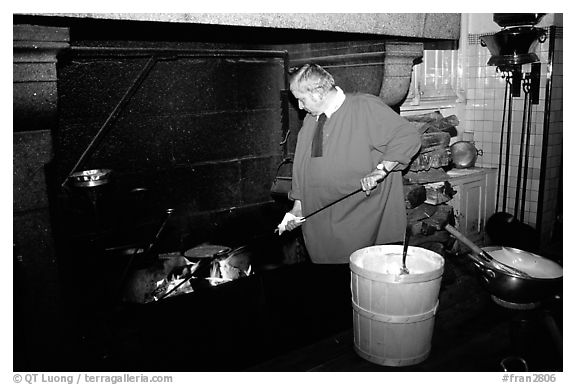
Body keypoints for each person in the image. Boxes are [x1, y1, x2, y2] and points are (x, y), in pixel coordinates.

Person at [277, 63, 421, 264]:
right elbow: (302, 168)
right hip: (321, 225)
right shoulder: (311, 120)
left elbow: (407, 136)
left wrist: (380, 170)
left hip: (361, 221)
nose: (300, 107)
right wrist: (297, 207)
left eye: (301, 99)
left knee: (360, 287)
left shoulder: (364, 107)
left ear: (319, 92)